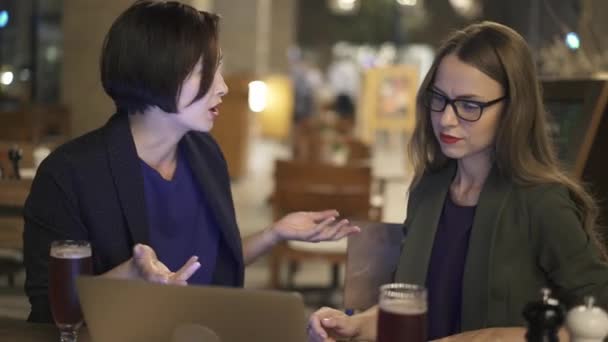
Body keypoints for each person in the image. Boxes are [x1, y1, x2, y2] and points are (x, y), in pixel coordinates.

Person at [23, 0, 360, 324]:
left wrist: (274, 234)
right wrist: (128, 276)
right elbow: (50, 311)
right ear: (156, 73)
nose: (224, 87)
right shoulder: (69, 174)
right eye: (206, 72)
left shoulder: (205, 154)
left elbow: (209, 269)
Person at [308, 21, 608, 342]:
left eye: (469, 105)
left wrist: (489, 337)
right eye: (439, 98)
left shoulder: (544, 201)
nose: (446, 119)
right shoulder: (429, 188)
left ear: (513, 109)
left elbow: (598, 314)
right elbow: (409, 309)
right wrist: (355, 325)